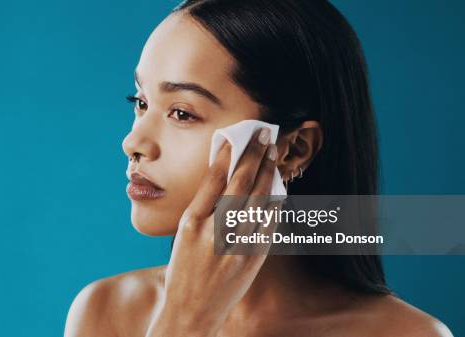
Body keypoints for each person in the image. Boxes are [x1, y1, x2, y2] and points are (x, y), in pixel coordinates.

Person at [65, 1, 453, 336]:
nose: (133, 143)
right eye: (141, 102)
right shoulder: (104, 312)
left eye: (182, 112)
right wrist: (183, 323)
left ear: (294, 149)